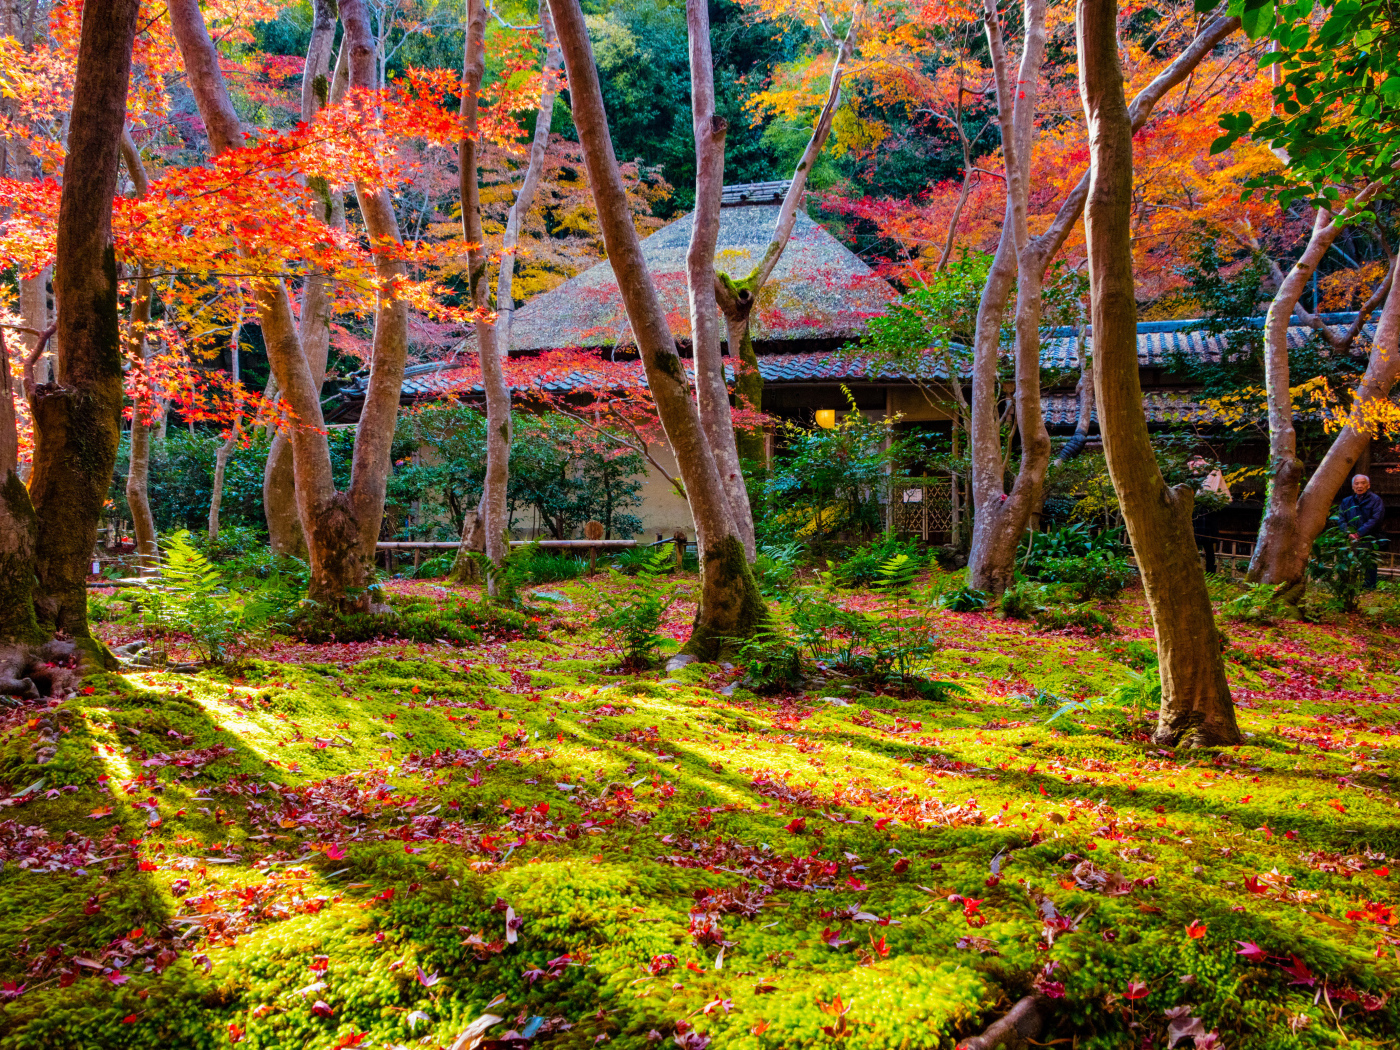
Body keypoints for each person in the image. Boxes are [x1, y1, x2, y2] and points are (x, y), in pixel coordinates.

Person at [1338, 474, 1386, 590]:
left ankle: (1369, 588)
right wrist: (1348, 532)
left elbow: (1376, 519)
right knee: (1346, 560)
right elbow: (1341, 519)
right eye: (1357, 483)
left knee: (1369, 563)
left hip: (1369, 536)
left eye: (1363, 483)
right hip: (1350, 537)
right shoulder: (1346, 501)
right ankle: (1345, 587)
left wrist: (1359, 533)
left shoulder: (1375, 500)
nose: (1360, 486)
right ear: (1353, 486)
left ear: (1368, 485)